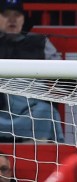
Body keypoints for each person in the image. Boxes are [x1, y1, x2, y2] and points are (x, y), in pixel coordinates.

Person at [0, 0, 66, 142]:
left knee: (46, 111)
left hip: (31, 112)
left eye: (17, 15)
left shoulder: (40, 43)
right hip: (1, 111)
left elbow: (65, 78)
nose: (12, 20)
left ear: (23, 19)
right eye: (6, 15)